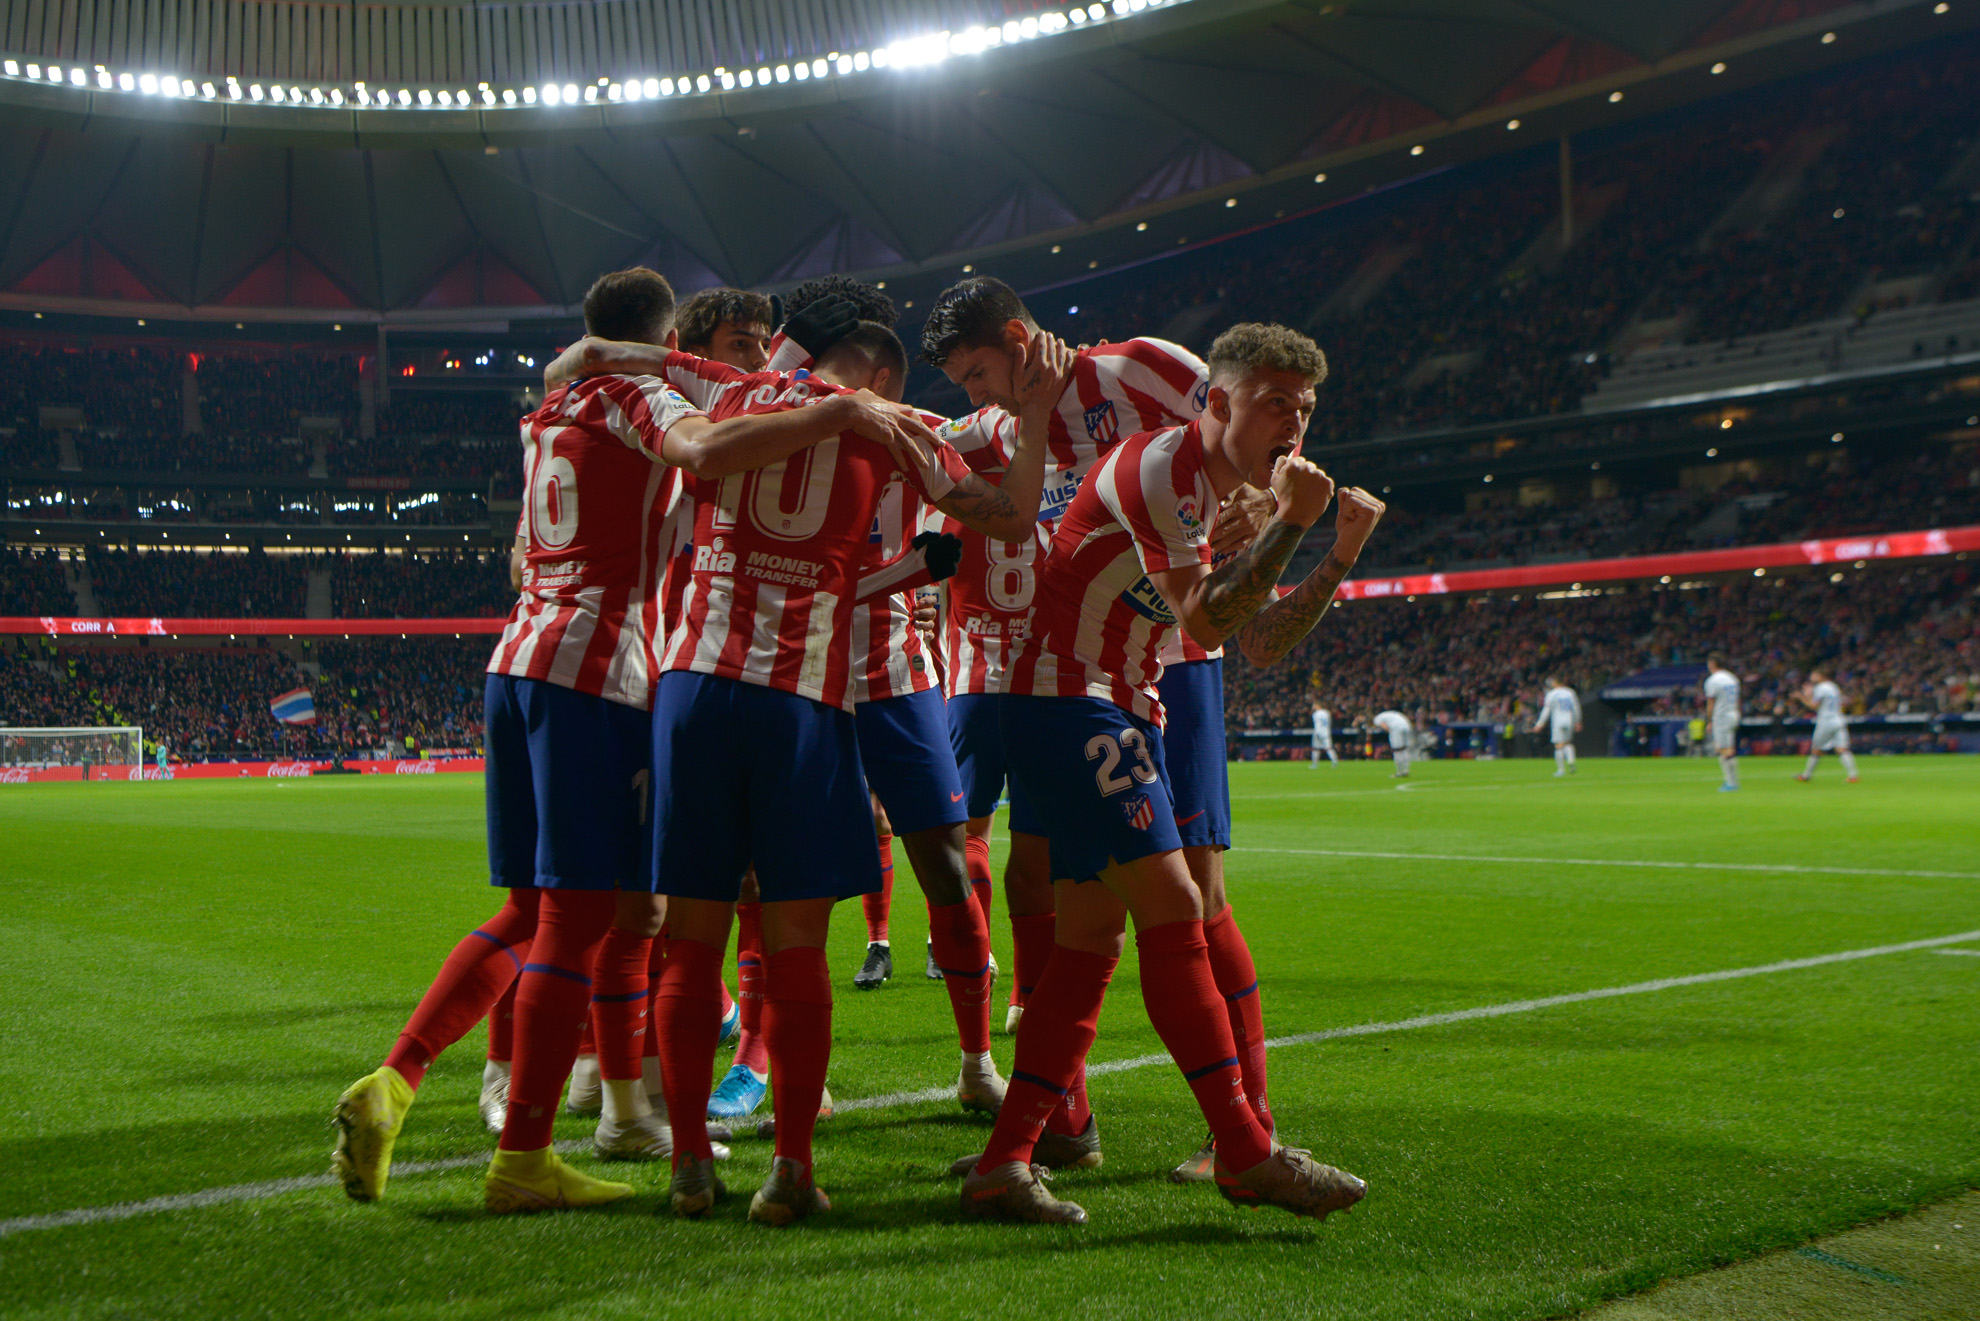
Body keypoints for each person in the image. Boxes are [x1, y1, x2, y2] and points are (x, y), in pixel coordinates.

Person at [331, 268, 882, 1212]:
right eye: (731, 346)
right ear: (666, 337)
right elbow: (702, 450)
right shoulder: (641, 393)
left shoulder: (552, 407)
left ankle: (404, 1079)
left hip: (521, 656)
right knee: (587, 920)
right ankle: (527, 1154)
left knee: (534, 914)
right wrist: (837, 415)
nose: (748, 359)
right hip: (600, 670)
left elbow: (518, 552)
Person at [642, 321, 1067, 1226]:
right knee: (787, 918)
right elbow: (1011, 506)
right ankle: (778, 1114)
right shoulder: (903, 424)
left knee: (712, 922)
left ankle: (970, 1063)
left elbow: (622, 366)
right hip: (811, 679)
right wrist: (1035, 412)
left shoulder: (729, 398)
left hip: (828, 670)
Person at [952, 322, 1372, 1226]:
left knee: (1092, 940)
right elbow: (1212, 625)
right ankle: (1246, 1150)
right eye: (1273, 403)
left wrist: (1333, 552)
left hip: (1108, 702)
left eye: (1304, 407)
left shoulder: (1218, 499)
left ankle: (1005, 1161)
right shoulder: (1162, 471)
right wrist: (1295, 524)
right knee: (1179, 908)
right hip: (1071, 700)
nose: (1293, 424)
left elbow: (1257, 640)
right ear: (1215, 401)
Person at [919, 276, 1274, 1171]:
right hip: (1072, 680)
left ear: (1014, 334)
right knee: (1037, 878)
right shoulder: (1004, 429)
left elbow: (1260, 443)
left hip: (1178, 662)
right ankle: (1063, 1123)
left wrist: (1265, 506)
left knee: (1197, 891)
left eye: (977, 371)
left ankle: (1251, 1124)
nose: (975, 392)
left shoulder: (1145, 370)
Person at [1795, 668, 1859, 782]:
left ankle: (1806, 775)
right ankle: (1853, 775)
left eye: (1814, 675)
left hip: (1826, 721)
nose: (1811, 677)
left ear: (1820, 676)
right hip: (1838, 719)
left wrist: (1803, 696)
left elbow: (1813, 705)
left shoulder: (1821, 688)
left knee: (1816, 749)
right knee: (1842, 748)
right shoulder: (1834, 687)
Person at [1703, 655, 1741, 792]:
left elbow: (1710, 703)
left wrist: (1709, 721)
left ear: (1712, 664)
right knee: (1728, 748)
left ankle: (1731, 783)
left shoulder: (1713, 681)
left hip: (1722, 716)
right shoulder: (1732, 678)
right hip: (1733, 713)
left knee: (1723, 749)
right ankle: (1732, 781)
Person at [1534, 677, 1582, 777]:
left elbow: (1546, 710)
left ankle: (1561, 770)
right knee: (1567, 742)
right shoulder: (1570, 692)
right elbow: (1576, 707)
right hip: (1569, 720)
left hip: (1558, 721)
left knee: (1558, 746)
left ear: (1555, 683)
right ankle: (1571, 761)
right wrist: (1578, 721)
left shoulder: (1552, 694)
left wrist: (1539, 724)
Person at [1372, 709, 1414, 777]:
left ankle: (1399, 772)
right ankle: (1406, 770)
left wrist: (1390, 733)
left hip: (1396, 727)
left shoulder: (1377, 719)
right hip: (1406, 725)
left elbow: (1385, 727)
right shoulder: (1388, 714)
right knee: (1404, 749)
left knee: (1397, 750)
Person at [1309, 701, 1335, 767]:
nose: (1313, 706)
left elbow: (1317, 725)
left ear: (1317, 705)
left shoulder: (1316, 714)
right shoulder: (1327, 712)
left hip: (1318, 732)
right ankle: (1335, 762)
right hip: (1326, 732)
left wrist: (1317, 733)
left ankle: (1314, 764)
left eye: (1314, 705)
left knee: (1315, 748)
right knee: (1329, 748)